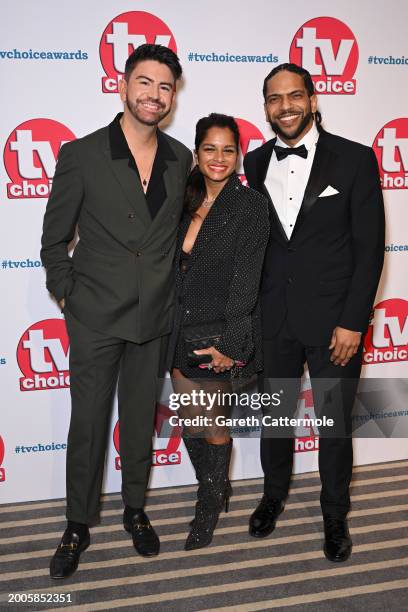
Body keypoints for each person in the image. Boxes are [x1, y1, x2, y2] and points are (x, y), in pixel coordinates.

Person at [41, 44, 192, 579]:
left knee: (137, 423)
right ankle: (77, 524)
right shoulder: (82, 154)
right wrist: (68, 296)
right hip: (95, 315)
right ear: (124, 87)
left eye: (165, 86)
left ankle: (135, 510)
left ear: (173, 97)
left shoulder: (181, 158)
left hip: (153, 315)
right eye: (145, 83)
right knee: (87, 424)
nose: (154, 94)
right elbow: (54, 240)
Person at [244, 63, 385, 562]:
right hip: (274, 319)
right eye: (274, 98)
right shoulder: (255, 161)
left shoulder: (354, 159)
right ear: (265, 107)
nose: (285, 106)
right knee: (275, 419)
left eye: (294, 95)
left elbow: (369, 250)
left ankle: (334, 514)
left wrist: (353, 322)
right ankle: (273, 495)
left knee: (333, 425)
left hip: (335, 325)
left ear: (313, 99)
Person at [167, 113, 270, 550]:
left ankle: (207, 507)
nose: (219, 158)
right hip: (174, 330)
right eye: (210, 148)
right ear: (196, 152)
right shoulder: (178, 199)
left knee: (212, 426)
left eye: (229, 149)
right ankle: (215, 487)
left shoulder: (249, 206)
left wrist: (230, 343)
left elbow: (248, 280)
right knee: (192, 422)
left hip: (216, 333)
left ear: (238, 155)